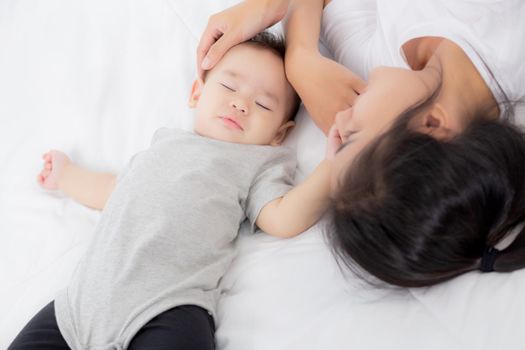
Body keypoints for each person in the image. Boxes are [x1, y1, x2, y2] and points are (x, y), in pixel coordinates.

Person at [9, 32, 338, 350]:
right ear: (197, 93)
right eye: (228, 86)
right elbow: (114, 189)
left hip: (168, 305)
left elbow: (281, 217)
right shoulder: (165, 143)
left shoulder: (256, 162)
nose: (240, 104)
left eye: (263, 104)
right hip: (80, 308)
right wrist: (66, 175)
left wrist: (333, 169)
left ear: (280, 134)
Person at [197, 0, 525, 286]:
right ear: (432, 124)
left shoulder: (373, 67)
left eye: (336, 144)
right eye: (350, 137)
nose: (336, 120)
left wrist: (300, 58)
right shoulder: (509, 32)